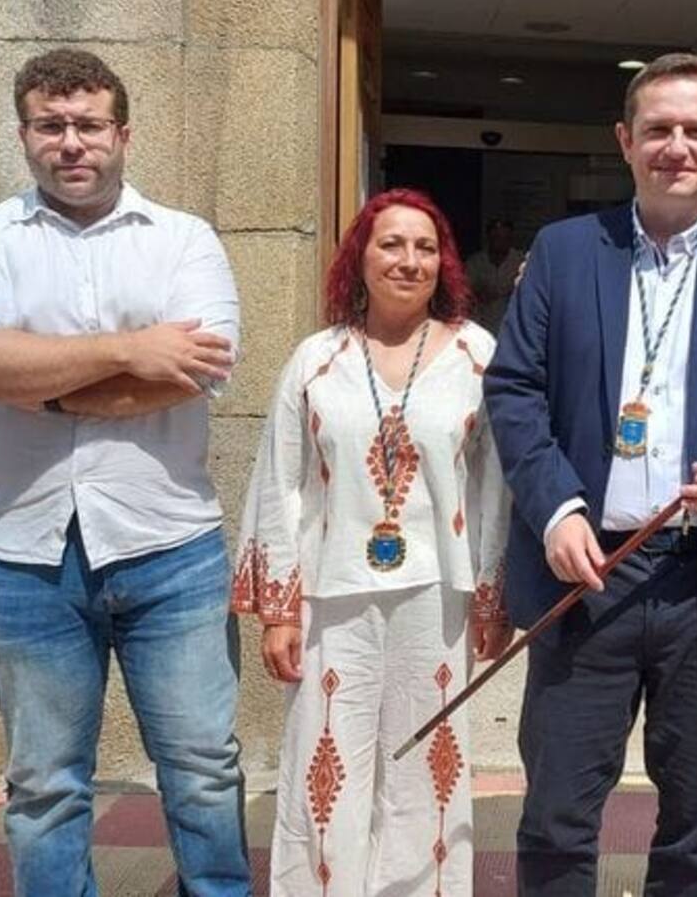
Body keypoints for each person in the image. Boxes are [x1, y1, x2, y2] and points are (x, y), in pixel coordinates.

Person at [484, 53, 697, 895]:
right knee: (557, 819)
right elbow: (514, 388)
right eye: (658, 129)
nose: (676, 147)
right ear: (625, 140)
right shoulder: (565, 252)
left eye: (695, 130)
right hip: (588, 575)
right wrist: (557, 509)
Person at [0, 49, 249, 895]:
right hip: (18, 552)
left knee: (203, 769)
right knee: (44, 786)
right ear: (23, 133)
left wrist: (42, 382)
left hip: (170, 547)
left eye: (88, 125)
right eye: (51, 125)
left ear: (122, 134)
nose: (71, 143)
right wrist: (132, 349)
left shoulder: (183, 239)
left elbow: (198, 369)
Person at [231, 187, 512, 897]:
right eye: (391, 244)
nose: (408, 261)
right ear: (360, 256)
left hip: (436, 596)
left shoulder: (477, 355)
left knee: (430, 764)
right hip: (332, 596)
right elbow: (281, 479)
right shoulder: (316, 359)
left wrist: (491, 592)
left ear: (443, 263)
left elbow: (496, 486)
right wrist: (279, 609)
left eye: (425, 247)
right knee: (324, 764)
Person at [465, 217, 525, 334]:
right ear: (489, 238)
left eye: (505, 238)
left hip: (512, 326)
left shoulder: (520, 261)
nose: (500, 242)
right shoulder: (475, 262)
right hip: (482, 326)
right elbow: (464, 292)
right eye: (496, 237)